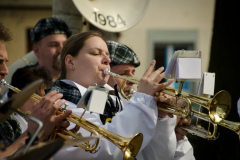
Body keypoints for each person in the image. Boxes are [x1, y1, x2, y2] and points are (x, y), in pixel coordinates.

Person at [44, 30, 176, 160]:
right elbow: (100, 151)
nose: (107, 60)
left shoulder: (101, 96)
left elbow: (156, 157)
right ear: (70, 62)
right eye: (96, 53)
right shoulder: (59, 101)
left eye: (107, 55)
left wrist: (160, 119)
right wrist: (142, 100)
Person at [106, 40, 195, 160]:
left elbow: (158, 156)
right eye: (124, 73)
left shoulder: (133, 103)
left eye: (133, 72)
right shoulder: (103, 104)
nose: (132, 79)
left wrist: (168, 125)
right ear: (105, 73)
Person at [0, 23, 72, 159]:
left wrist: (46, 139)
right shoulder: (10, 118)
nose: (5, 71)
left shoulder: (9, 122)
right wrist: (35, 131)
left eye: (5, 62)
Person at [7, 65, 53, 133]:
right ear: (15, 96)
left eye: (45, 97)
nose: (43, 102)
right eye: (36, 96)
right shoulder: (7, 126)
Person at [30, 17, 72, 82]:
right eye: (54, 45)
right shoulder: (25, 81)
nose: (61, 50)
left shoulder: (75, 79)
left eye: (65, 44)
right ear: (37, 51)